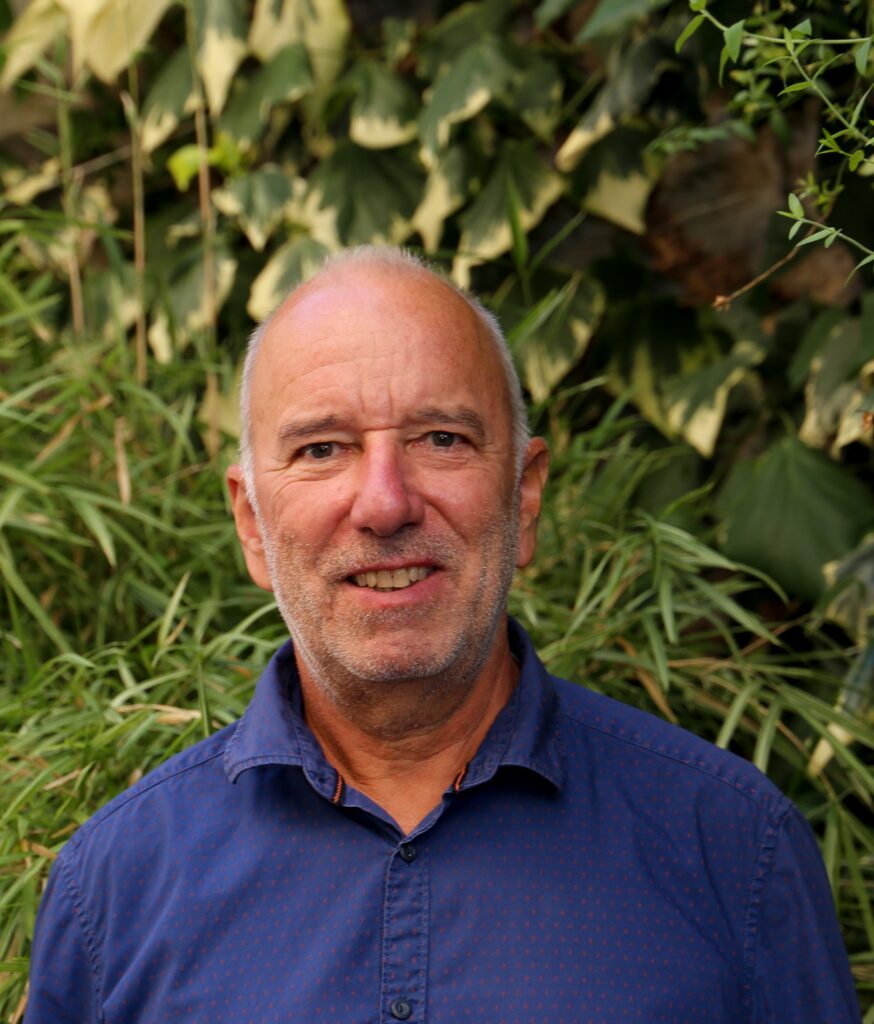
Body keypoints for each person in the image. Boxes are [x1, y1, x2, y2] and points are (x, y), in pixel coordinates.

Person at [26, 247, 859, 1023]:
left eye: (441, 439)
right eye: (322, 448)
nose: (385, 503)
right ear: (251, 523)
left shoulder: (734, 851)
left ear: (524, 496)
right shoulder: (112, 892)